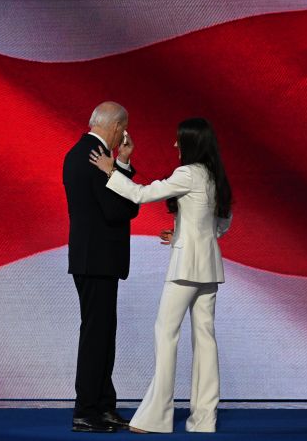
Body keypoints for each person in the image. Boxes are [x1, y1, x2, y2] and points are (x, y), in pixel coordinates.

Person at [89, 117, 232, 433]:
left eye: (179, 140)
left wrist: (111, 171)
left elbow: (141, 194)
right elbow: (221, 223)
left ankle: (157, 417)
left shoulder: (187, 173)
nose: (175, 145)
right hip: (209, 267)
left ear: (191, 143)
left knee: (165, 334)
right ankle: (204, 420)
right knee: (205, 340)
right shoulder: (214, 176)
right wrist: (182, 232)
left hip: (185, 268)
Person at [62, 101, 140, 433]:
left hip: (90, 259)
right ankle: (87, 410)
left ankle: (104, 404)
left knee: (103, 334)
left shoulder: (75, 152)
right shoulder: (96, 157)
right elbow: (119, 208)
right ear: (116, 126)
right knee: (97, 336)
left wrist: (118, 165)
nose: (125, 134)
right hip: (97, 261)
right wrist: (120, 166)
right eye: (124, 127)